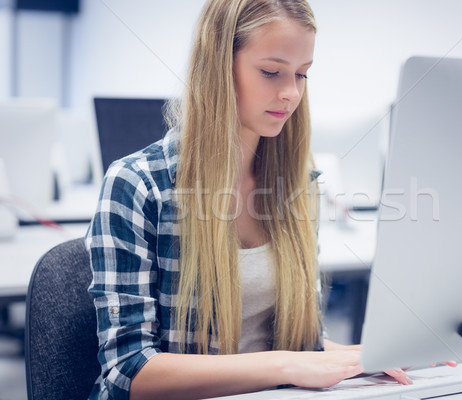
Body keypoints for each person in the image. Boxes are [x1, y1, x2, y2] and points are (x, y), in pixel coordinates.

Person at [86, 1, 412, 399]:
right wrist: (286, 363)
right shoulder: (137, 184)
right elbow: (129, 372)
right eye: (271, 72)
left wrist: (374, 357)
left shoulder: (298, 184)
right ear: (219, 66)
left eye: (302, 74)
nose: (291, 92)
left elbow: (305, 345)